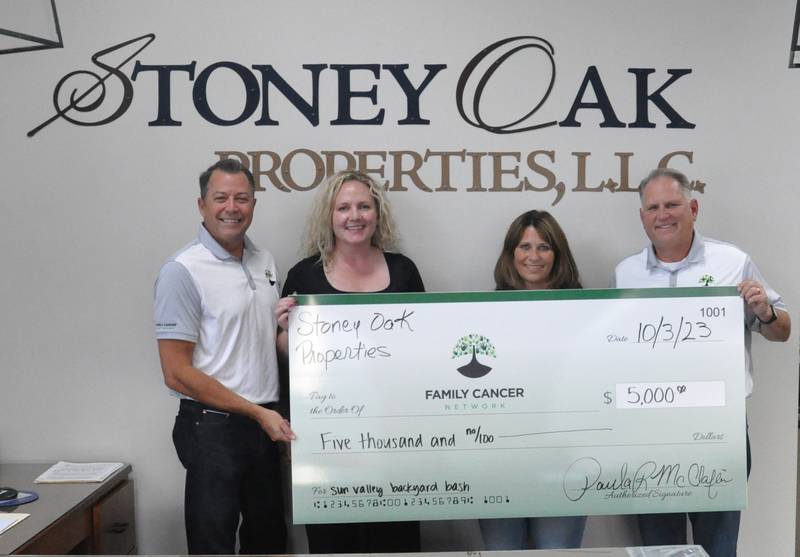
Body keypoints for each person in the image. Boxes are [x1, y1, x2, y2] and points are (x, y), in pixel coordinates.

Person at [612, 167, 791, 556]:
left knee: (719, 545)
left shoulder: (732, 261)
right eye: (653, 207)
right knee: (660, 547)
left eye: (672, 204)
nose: (663, 214)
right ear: (642, 216)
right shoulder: (625, 273)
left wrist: (764, 313)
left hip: (718, 427)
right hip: (650, 430)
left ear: (693, 207)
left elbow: (783, 330)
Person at [276, 170, 424, 553]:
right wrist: (283, 333)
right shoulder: (303, 276)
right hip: (326, 438)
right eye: (343, 207)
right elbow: (287, 356)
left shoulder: (404, 271)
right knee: (332, 544)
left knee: (396, 541)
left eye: (363, 206)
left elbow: (425, 350)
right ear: (329, 215)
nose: (353, 216)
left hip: (396, 437)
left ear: (378, 213)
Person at [154, 159, 295, 555]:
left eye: (242, 198)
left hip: (265, 423)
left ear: (253, 204)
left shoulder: (264, 261)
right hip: (212, 428)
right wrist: (256, 413)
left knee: (268, 540)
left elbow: (257, 344)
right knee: (213, 544)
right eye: (221, 198)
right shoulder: (181, 271)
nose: (231, 207)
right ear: (202, 205)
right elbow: (176, 373)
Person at [479, 209, 586, 550]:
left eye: (544, 247)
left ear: (558, 254)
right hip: (499, 462)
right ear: (511, 254)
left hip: (563, 460)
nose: (533, 256)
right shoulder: (482, 314)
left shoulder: (586, 312)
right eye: (524, 247)